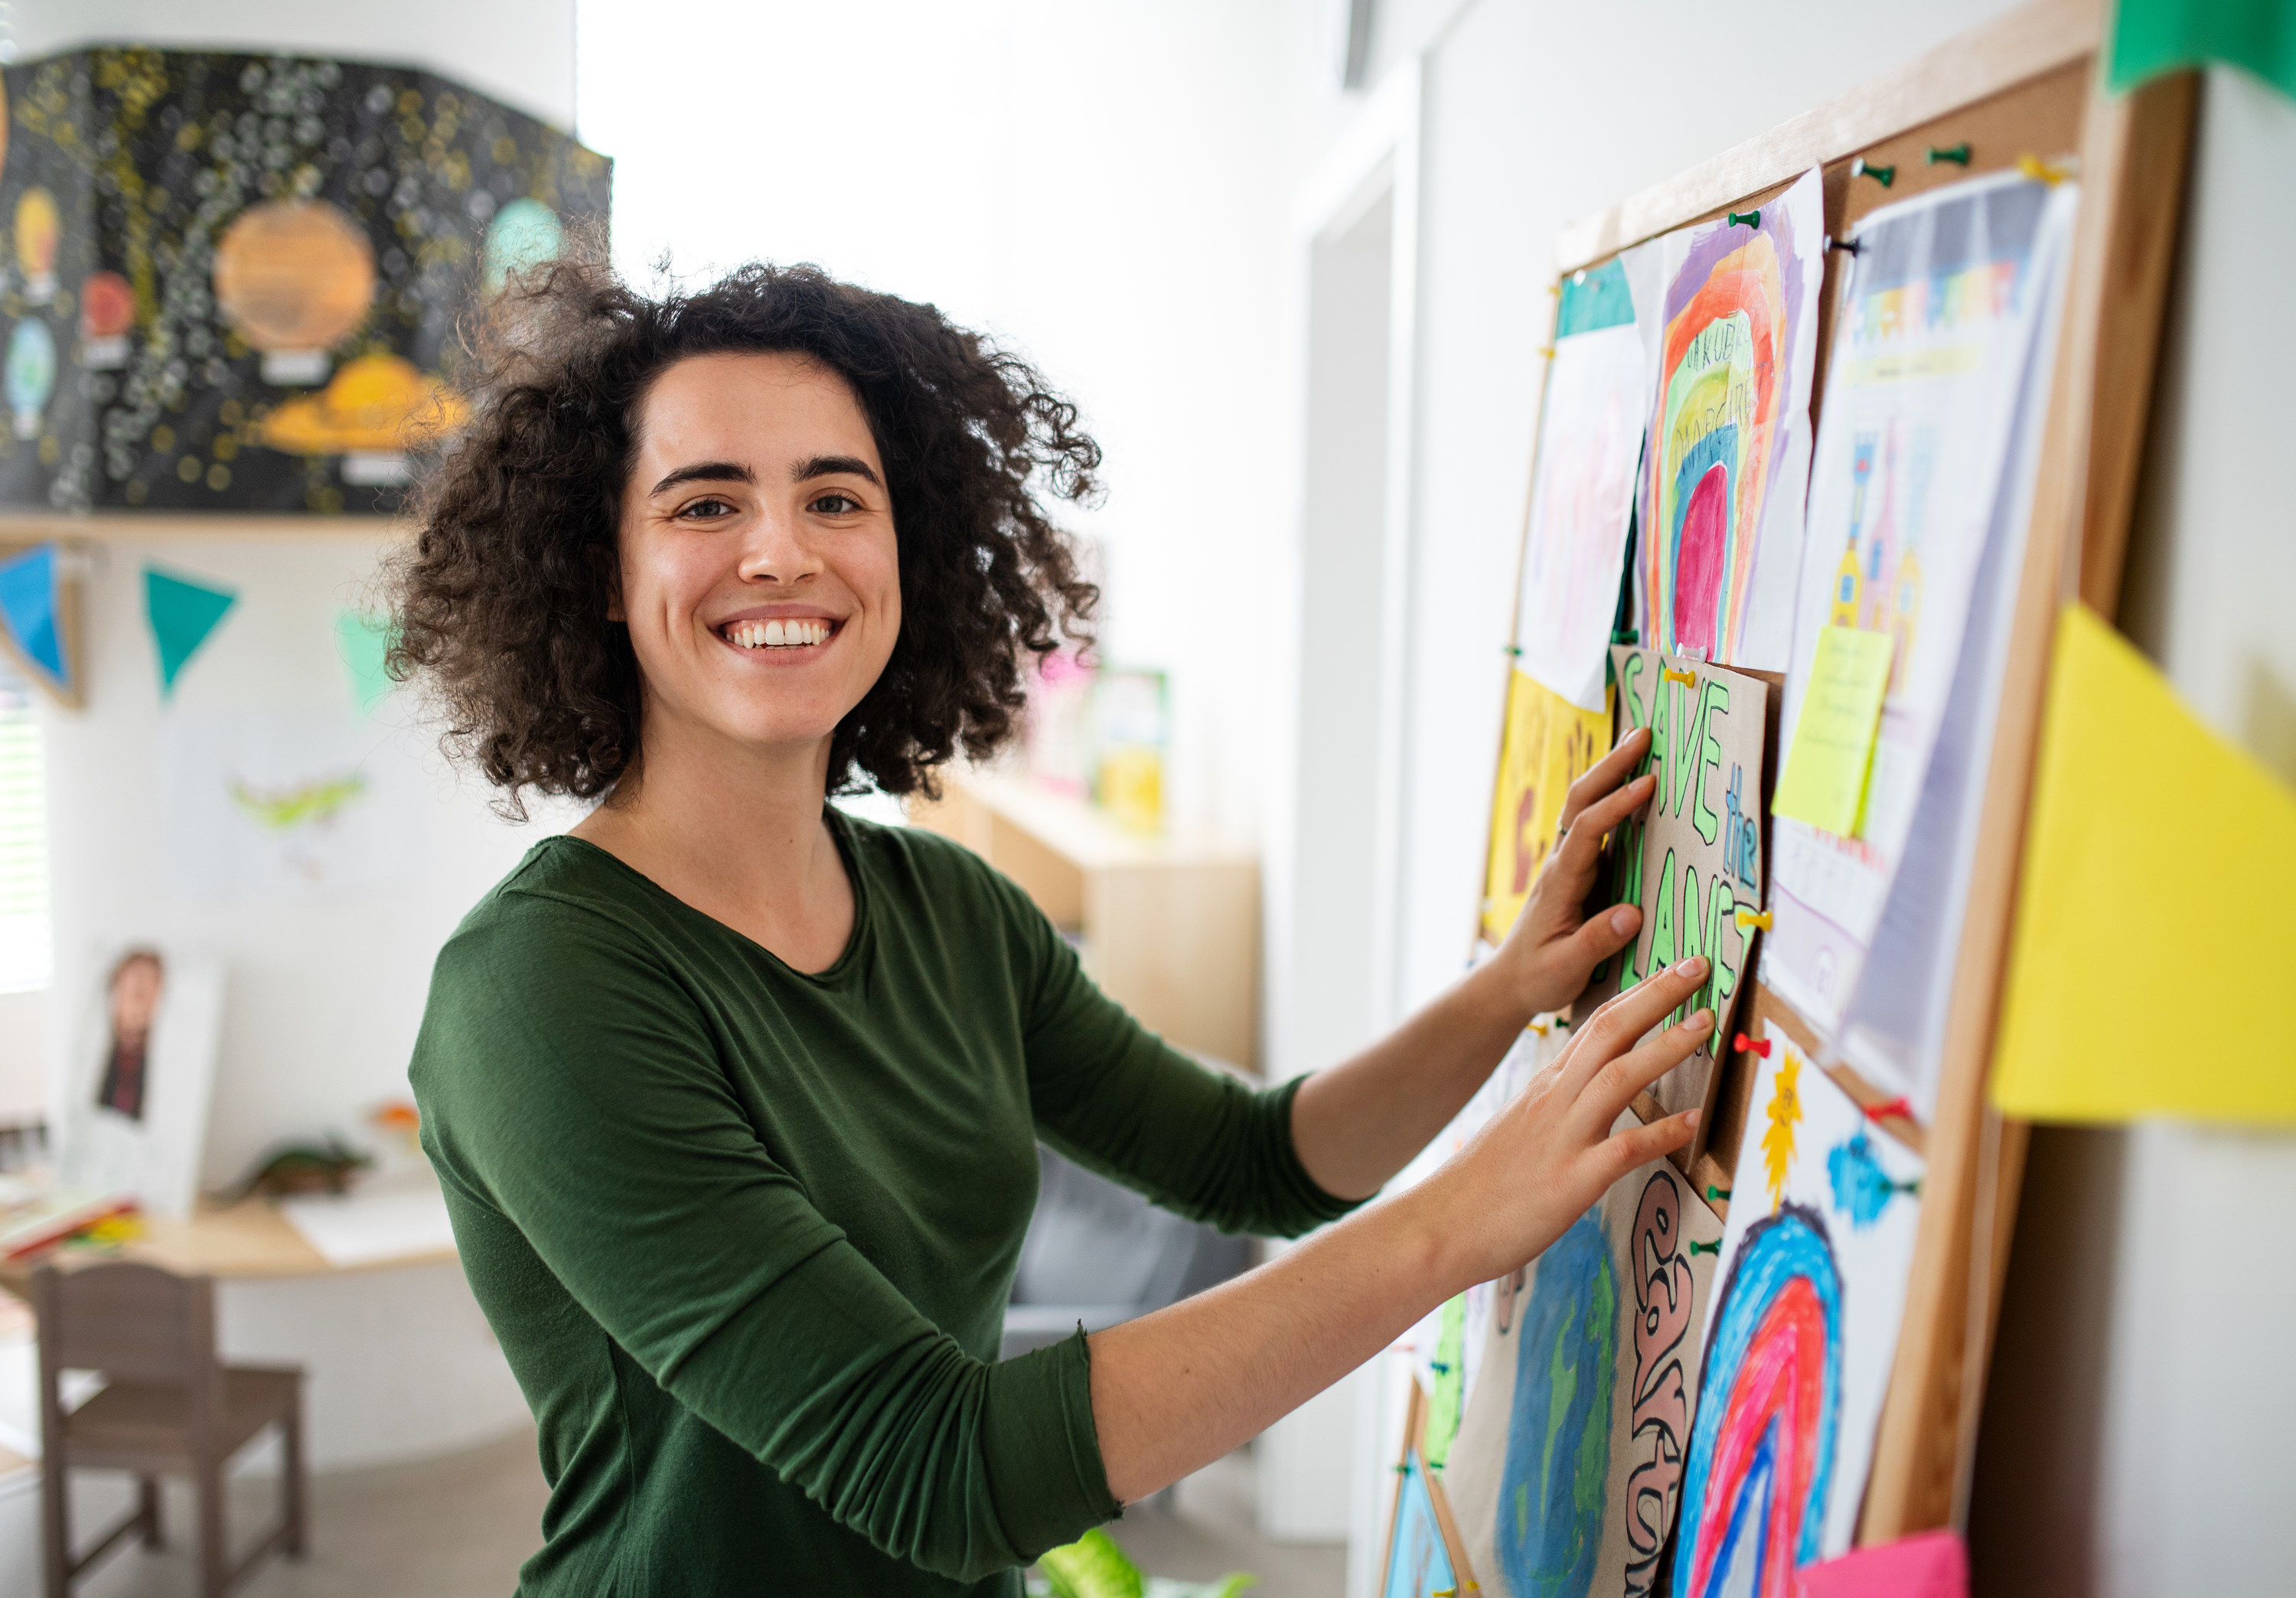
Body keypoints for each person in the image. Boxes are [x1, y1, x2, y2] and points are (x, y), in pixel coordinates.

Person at [394, 259, 1711, 1596]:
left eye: (836, 498)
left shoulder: (949, 909)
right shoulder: (540, 987)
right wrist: (1451, 1229)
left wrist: (1504, 995)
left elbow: (1256, 1161)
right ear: (604, 572)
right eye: (707, 501)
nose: (782, 550)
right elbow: (937, 1465)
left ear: (905, 551)